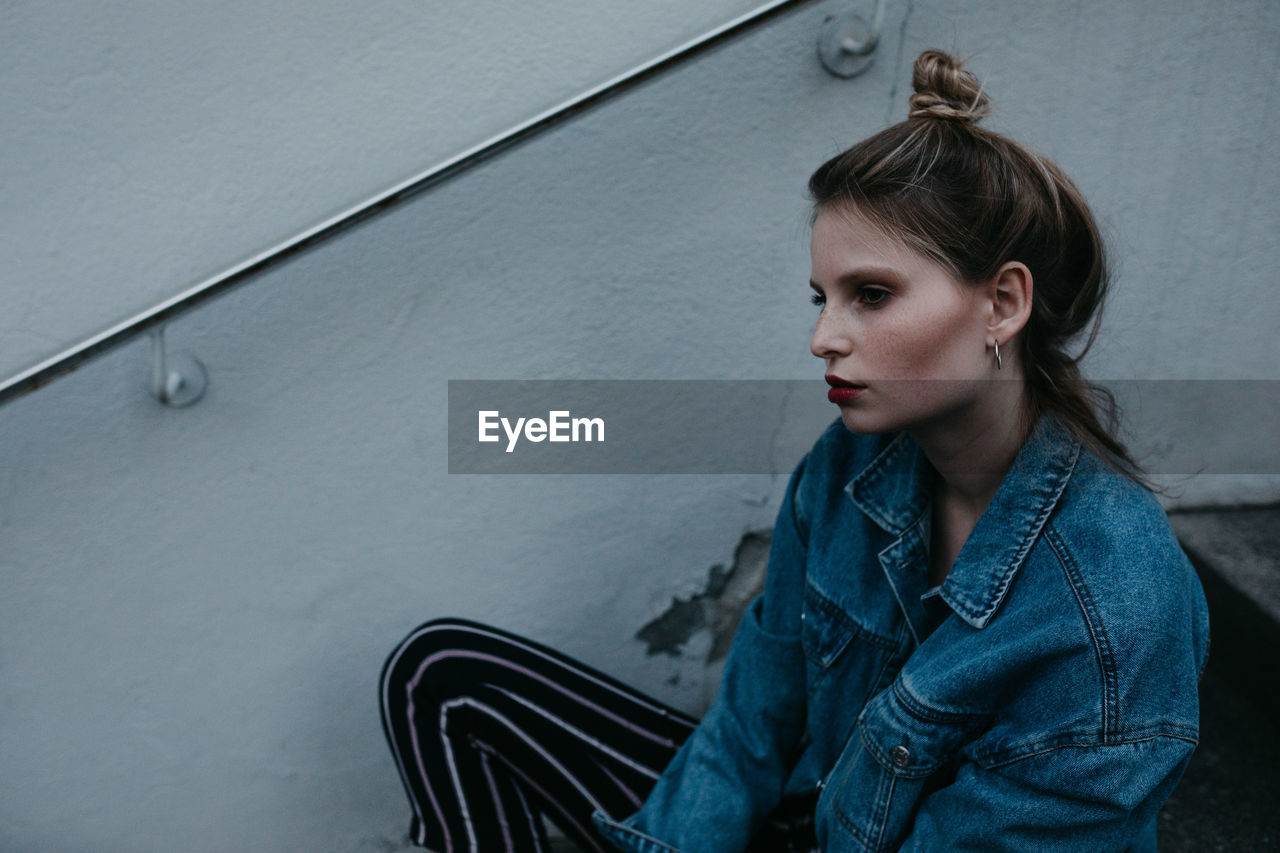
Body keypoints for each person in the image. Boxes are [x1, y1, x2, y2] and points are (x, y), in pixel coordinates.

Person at [379, 49, 1210, 852]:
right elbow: (752, 724)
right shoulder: (852, 464)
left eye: (872, 295)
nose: (823, 338)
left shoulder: (1115, 610)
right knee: (442, 672)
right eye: (823, 297)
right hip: (803, 810)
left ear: (1002, 303)